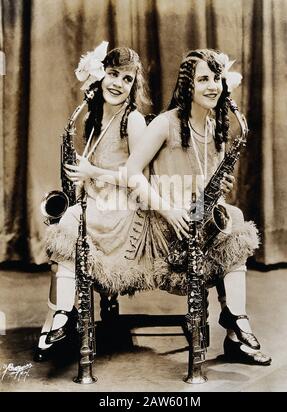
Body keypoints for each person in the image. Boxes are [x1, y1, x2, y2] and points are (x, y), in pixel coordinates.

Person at [122, 49, 272, 365]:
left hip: (195, 224)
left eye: (216, 78)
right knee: (236, 221)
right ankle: (236, 328)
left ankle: (236, 324)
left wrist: (218, 191)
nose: (212, 86)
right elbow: (132, 173)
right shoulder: (165, 123)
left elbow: (205, 194)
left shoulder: (218, 129)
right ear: (188, 84)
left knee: (233, 217)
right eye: (203, 78)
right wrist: (168, 210)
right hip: (164, 227)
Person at [34, 44, 153, 361]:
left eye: (127, 79)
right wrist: (82, 179)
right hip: (99, 207)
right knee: (63, 237)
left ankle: (61, 317)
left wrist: (91, 171)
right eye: (113, 74)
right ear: (101, 76)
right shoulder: (94, 119)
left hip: (126, 215)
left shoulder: (135, 121)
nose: (118, 84)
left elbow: (137, 178)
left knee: (70, 222)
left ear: (133, 86)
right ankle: (58, 319)